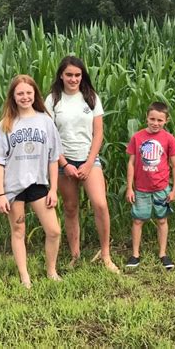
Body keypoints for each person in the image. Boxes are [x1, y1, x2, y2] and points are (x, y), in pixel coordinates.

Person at [0, 74, 62, 288]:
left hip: (38, 184)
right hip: (13, 187)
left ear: (35, 94)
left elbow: (53, 158)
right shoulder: (6, 124)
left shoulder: (45, 121)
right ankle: (24, 276)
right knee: (18, 231)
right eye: (20, 93)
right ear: (13, 96)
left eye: (29, 93)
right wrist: (0, 194)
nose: (25, 97)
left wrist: (54, 189)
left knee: (54, 230)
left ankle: (51, 271)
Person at [44, 56, 119, 274]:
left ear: (82, 75)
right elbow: (50, 135)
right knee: (70, 208)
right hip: (62, 161)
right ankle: (75, 255)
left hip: (88, 160)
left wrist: (88, 163)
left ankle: (105, 254)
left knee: (100, 204)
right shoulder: (52, 100)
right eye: (69, 75)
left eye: (77, 75)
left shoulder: (91, 98)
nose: (73, 79)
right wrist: (64, 164)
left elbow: (99, 133)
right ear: (61, 75)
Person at [125, 102, 175, 269]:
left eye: (160, 120)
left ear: (166, 120)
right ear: (146, 118)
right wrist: (129, 188)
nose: (155, 123)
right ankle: (135, 254)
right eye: (152, 119)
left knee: (162, 220)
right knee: (138, 221)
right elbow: (131, 163)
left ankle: (163, 254)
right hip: (141, 189)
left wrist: (174, 189)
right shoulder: (138, 137)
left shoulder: (169, 139)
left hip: (162, 188)